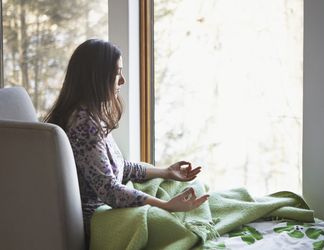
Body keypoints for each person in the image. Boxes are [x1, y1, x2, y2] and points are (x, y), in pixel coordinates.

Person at [44, 39, 209, 245]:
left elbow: (119, 168)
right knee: (171, 221)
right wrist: (166, 206)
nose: (122, 81)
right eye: (117, 73)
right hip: (97, 218)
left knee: (188, 186)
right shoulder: (84, 125)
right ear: (96, 77)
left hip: (107, 204)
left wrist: (166, 172)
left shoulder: (90, 115)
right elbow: (110, 191)